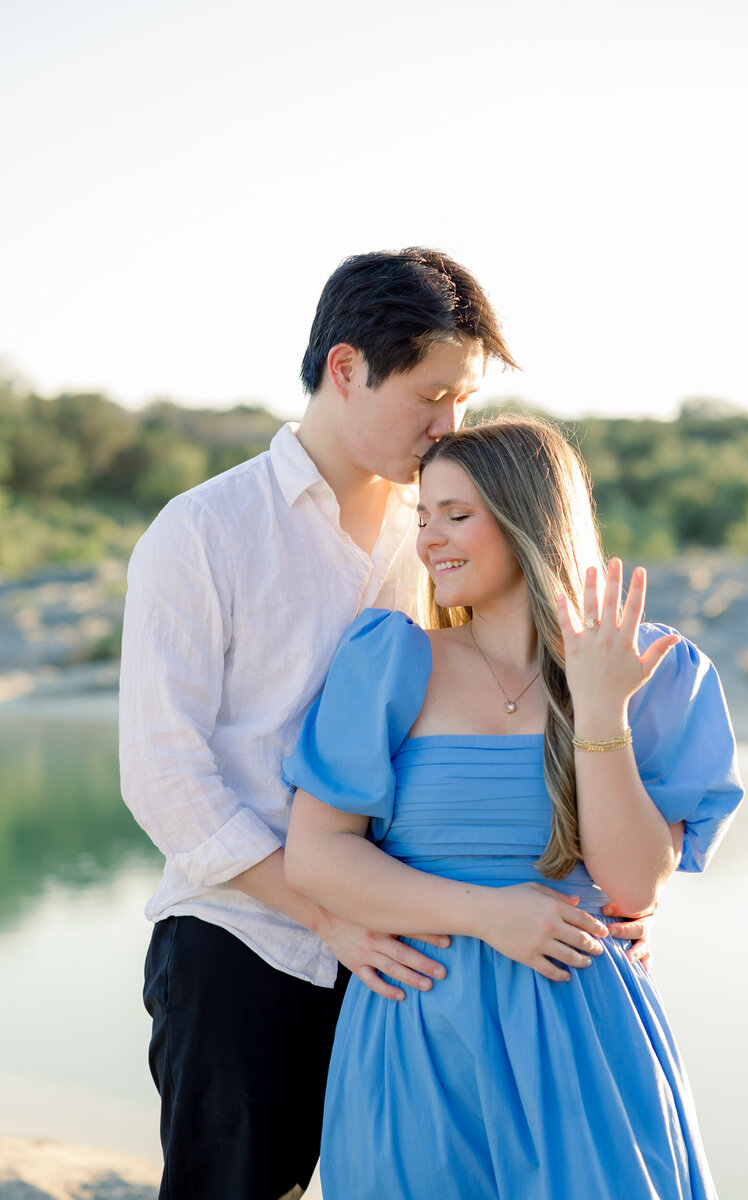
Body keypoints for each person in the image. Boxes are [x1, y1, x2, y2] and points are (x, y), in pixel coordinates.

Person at [119, 250, 652, 1200]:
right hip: (247, 945)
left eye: (465, 401)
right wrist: (330, 913)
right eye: (433, 395)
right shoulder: (205, 531)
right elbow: (163, 778)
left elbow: (505, 721)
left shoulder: (442, 530)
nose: (452, 424)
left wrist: (606, 900)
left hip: (421, 957)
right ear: (347, 368)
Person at [284, 416, 743, 1200]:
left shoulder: (653, 670)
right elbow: (318, 858)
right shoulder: (393, 659)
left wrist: (601, 714)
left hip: (583, 1036)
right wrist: (490, 914)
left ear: (529, 517)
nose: (430, 540)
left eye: (456, 515)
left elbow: (633, 886)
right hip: (421, 1032)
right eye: (422, 516)